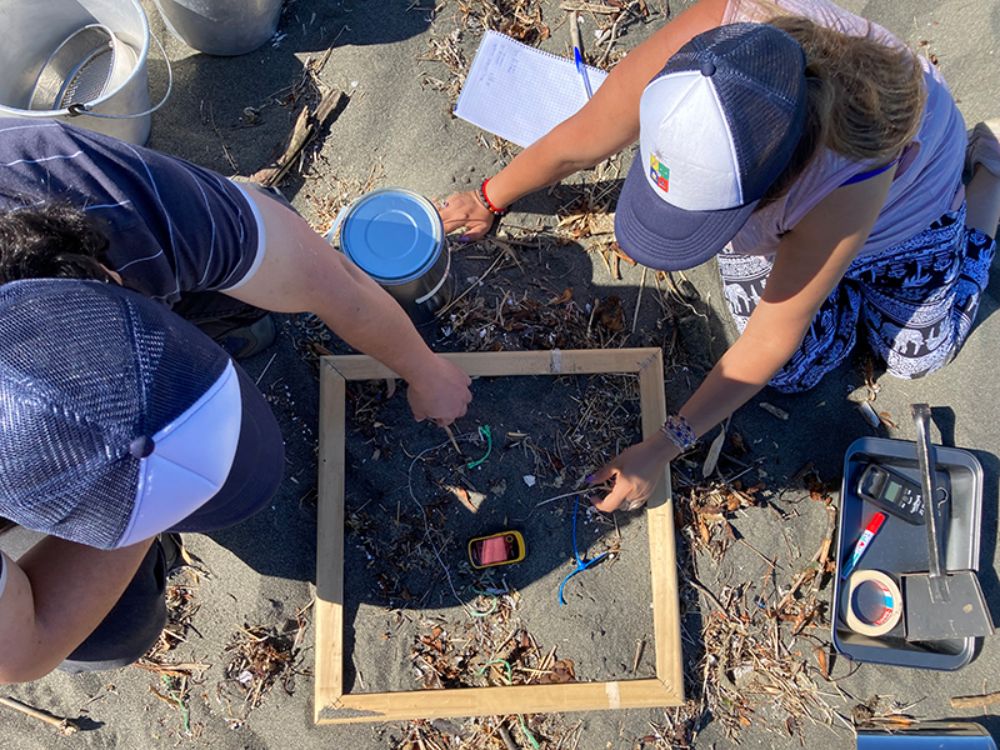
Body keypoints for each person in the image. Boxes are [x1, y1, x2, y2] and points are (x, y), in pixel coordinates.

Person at [439, 0, 1000, 511]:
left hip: (900, 217)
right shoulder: (711, 45)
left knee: (914, 355)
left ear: (767, 188)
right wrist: (490, 196)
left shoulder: (852, 161)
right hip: (801, 217)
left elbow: (770, 338)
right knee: (800, 371)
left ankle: (989, 176)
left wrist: (663, 446)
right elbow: (581, 139)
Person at [0, 119, 472, 682]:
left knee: (258, 228)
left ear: (98, 272)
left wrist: (425, 369)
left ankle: (203, 339)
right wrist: (147, 506)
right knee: (108, 634)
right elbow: (21, 655)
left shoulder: (86, 189)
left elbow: (329, 277)